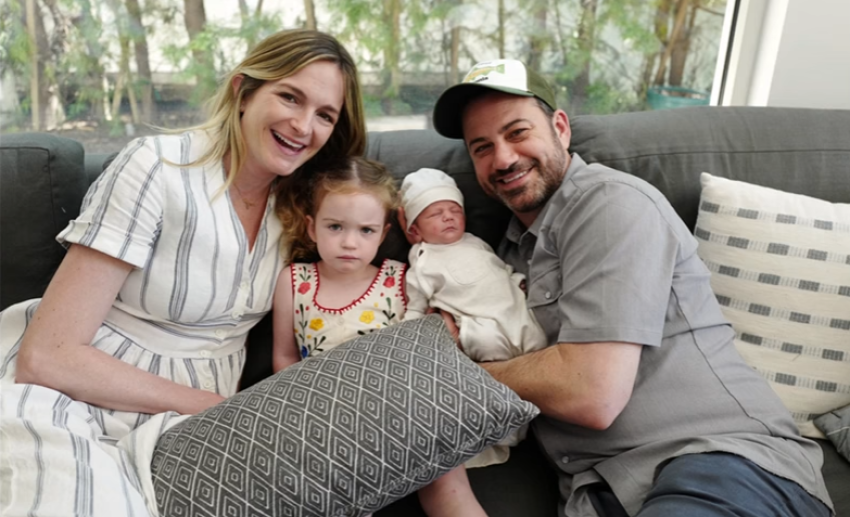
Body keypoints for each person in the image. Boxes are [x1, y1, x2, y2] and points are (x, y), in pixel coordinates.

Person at [426, 58, 834, 517]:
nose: (502, 159)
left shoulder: (611, 204)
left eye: (517, 132)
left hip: (722, 463)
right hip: (599, 494)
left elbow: (591, 393)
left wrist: (458, 375)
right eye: (482, 148)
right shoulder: (503, 258)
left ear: (560, 128)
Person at [0, 29, 366, 517]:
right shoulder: (157, 166)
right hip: (74, 392)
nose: (303, 126)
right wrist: (212, 406)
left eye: (325, 115)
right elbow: (48, 356)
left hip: (191, 423)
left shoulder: (307, 207)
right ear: (243, 91)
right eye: (289, 97)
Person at [274, 156, 488, 517]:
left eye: (366, 231)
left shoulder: (400, 278)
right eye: (335, 227)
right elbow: (284, 357)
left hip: (398, 409)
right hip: (327, 417)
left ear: (384, 234)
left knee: (447, 483)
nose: (349, 242)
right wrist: (306, 413)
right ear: (312, 228)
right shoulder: (295, 281)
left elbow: (427, 345)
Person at [399, 166, 547, 468]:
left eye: (455, 210)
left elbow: (498, 268)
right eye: (436, 213)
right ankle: (504, 429)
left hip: (512, 310)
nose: (448, 217)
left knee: (538, 344)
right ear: (415, 229)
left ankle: (532, 415)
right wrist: (409, 337)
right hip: (477, 327)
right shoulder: (423, 260)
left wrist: (516, 279)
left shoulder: (475, 242)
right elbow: (415, 306)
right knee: (489, 352)